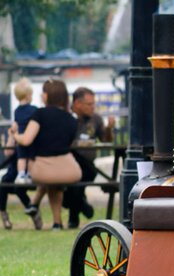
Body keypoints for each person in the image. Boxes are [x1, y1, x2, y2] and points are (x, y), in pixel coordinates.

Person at [8, 79, 81, 230]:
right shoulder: (72, 119)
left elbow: (27, 140)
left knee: (49, 179)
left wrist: (15, 135)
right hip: (69, 169)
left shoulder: (39, 114)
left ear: (46, 96)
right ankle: (56, 223)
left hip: (43, 168)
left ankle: (35, 205)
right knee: (54, 184)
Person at [64, 87, 115, 228]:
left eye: (94, 104)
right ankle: (81, 208)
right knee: (73, 190)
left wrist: (109, 128)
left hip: (87, 165)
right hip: (67, 163)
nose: (93, 107)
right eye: (89, 104)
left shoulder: (96, 119)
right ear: (77, 104)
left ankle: (76, 213)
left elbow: (106, 140)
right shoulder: (67, 117)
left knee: (77, 186)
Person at [1, 78, 36, 230]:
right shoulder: (24, 114)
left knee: (17, 186)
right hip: (18, 159)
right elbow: (9, 151)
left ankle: (33, 212)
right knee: (4, 182)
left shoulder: (21, 113)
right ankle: (3, 214)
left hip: (28, 158)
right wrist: (11, 135)